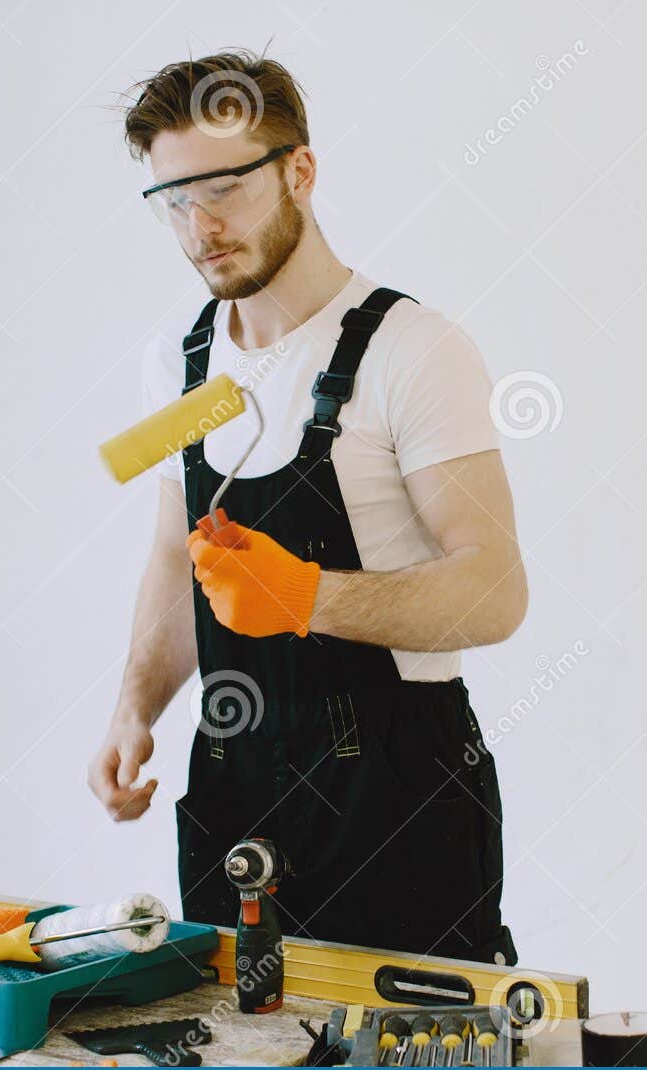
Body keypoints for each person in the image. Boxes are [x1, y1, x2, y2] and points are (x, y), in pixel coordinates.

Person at [87, 51, 527, 964]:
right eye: (172, 199)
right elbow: (175, 556)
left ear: (300, 170)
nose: (199, 226)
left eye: (224, 188)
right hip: (233, 790)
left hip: (399, 805)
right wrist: (135, 709)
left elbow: (495, 592)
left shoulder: (413, 351)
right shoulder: (183, 360)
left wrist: (308, 596)